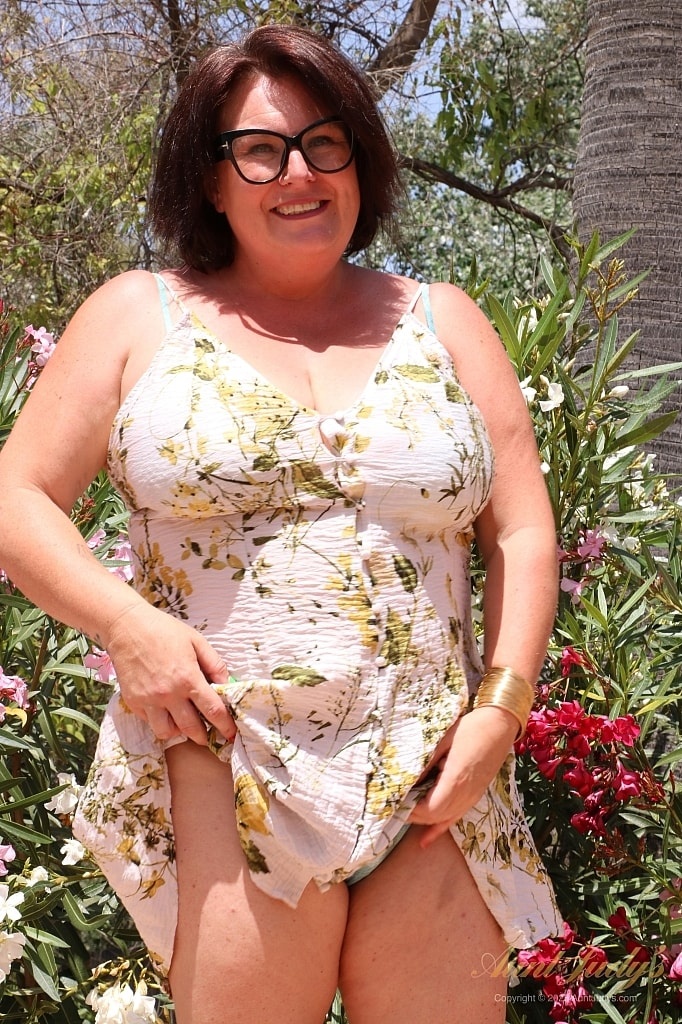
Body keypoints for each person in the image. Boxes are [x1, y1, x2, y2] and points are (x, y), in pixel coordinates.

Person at [0, 23, 563, 1024]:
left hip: (435, 777)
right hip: (224, 759)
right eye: (259, 149)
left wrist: (501, 710)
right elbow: (16, 496)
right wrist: (126, 627)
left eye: (324, 142)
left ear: (360, 161)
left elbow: (519, 530)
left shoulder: (445, 321)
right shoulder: (137, 316)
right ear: (210, 179)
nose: (298, 172)